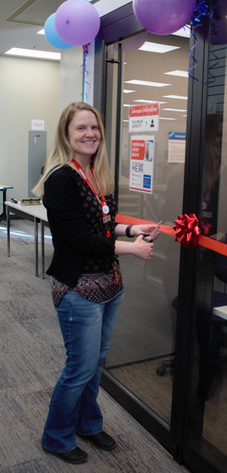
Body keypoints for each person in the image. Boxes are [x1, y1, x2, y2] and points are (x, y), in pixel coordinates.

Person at [33, 102, 156, 465]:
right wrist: (131, 249)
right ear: (66, 136)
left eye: (95, 128)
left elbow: (104, 223)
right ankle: (56, 437)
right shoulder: (60, 179)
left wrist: (132, 230)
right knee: (79, 368)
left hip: (109, 285)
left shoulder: (94, 173)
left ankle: (88, 423)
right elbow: (78, 238)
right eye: (81, 129)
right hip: (78, 290)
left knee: (96, 363)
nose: (90, 134)